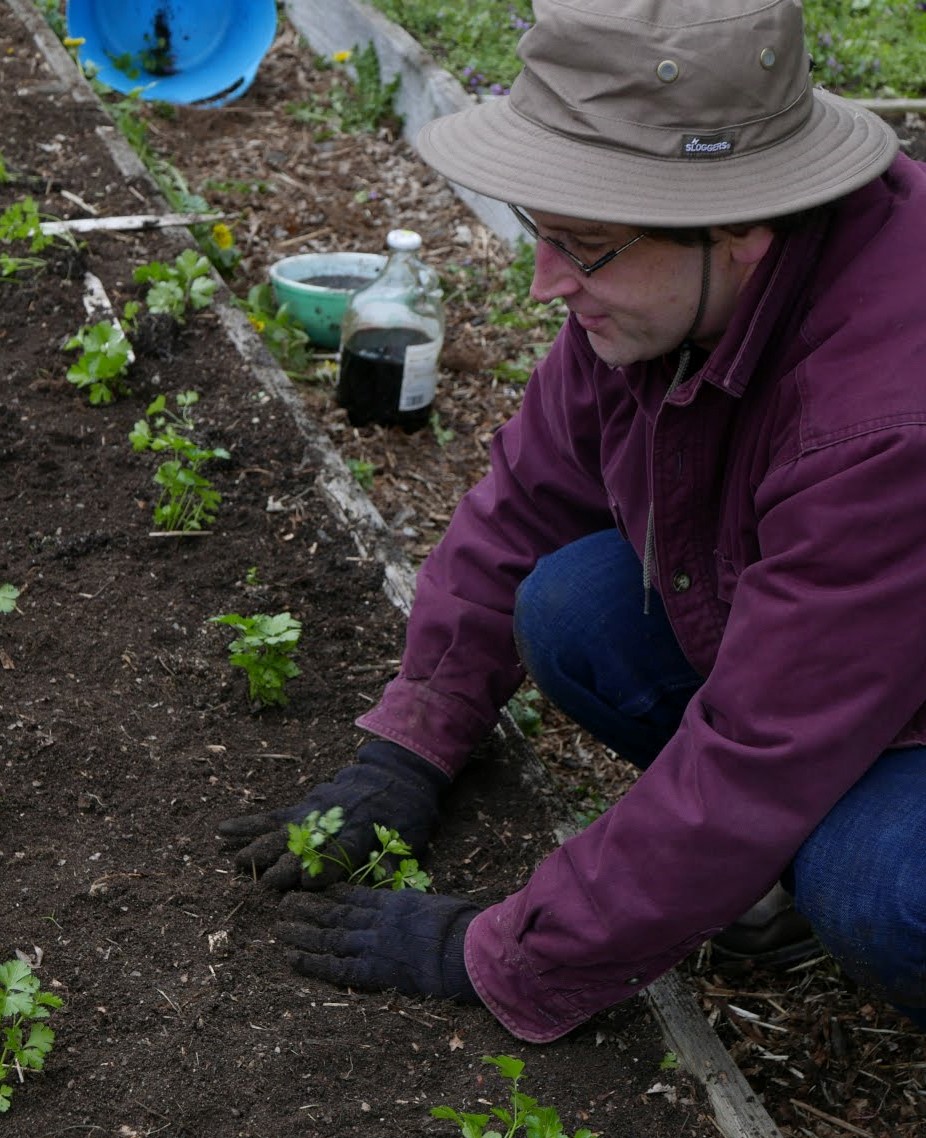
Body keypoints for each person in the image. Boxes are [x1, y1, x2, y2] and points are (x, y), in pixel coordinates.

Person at [219, 0, 926, 1042]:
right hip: (856, 650)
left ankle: (819, 863)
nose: (546, 277)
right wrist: (408, 746)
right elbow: (523, 506)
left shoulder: (881, 418)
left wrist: (506, 948)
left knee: (883, 887)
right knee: (568, 604)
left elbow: (761, 744)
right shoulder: (678, 294)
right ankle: (768, 866)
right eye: (541, 229)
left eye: (583, 245)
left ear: (741, 226)